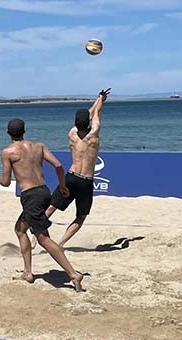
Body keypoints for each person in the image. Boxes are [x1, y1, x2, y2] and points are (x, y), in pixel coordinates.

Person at [0, 118, 84, 292]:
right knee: (20, 229)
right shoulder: (39, 146)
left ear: (8, 133)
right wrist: (62, 186)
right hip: (44, 191)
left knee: (43, 239)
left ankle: (73, 274)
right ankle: (27, 272)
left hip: (30, 196)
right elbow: (58, 165)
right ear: (24, 131)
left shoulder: (8, 152)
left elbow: (6, 182)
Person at [44, 88, 111, 248]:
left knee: (51, 207)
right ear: (88, 123)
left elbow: (89, 114)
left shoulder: (72, 134)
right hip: (86, 181)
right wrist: (101, 100)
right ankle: (60, 245)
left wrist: (98, 99)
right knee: (81, 216)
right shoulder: (93, 134)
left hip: (71, 176)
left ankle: (37, 237)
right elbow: (96, 113)